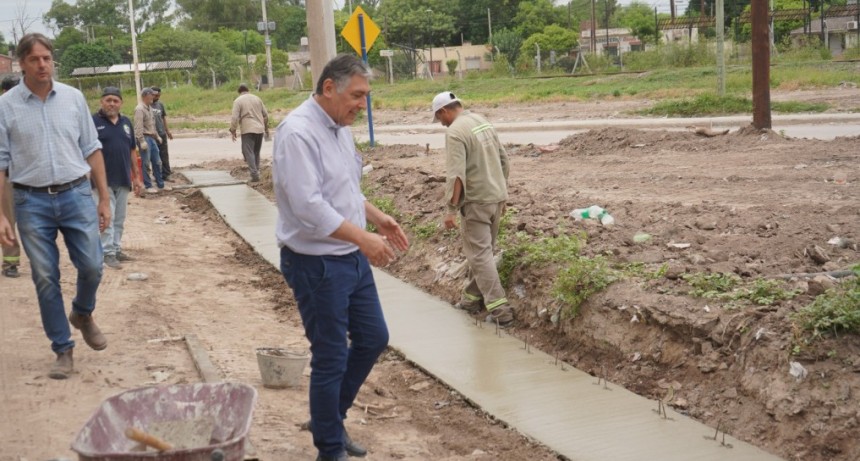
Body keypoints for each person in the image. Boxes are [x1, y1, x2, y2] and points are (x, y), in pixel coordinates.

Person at [273, 54, 409, 461]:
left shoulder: (340, 128)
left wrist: (377, 218)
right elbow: (309, 208)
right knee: (331, 354)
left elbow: (346, 189)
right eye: (357, 95)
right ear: (329, 88)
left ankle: (329, 419)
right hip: (317, 264)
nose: (361, 105)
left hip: (349, 256)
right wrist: (365, 240)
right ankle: (330, 449)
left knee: (373, 338)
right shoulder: (297, 133)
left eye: (366, 96)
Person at [0, 33, 110, 379]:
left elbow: (92, 149)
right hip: (30, 200)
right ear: (22, 64)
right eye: (34, 59)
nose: (42, 65)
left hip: (75, 193)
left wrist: (104, 198)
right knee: (45, 276)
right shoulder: (6, 106)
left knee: (92, 264)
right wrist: (2, 215)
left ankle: (82, 312)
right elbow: (1, 165)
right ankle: (63, 349)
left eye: (47, 58)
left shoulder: (74, 99)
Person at [432, 90, 514, 325]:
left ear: (444, 111)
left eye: (440, 119)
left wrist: (450, 209)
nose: (442, 124)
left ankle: (501, 312)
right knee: (483, 255)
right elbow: (504, 160)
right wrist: (503, 195)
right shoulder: (481, 121)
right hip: (495, 198)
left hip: (476, 202)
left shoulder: (456, 132)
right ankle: (470, 300)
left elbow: (456, 176)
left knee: (480, 256)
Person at [92, 86, 143, 269]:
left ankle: (116, 248)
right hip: (101, 181)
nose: (112, 103)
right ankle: (107, 253)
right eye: (108, 100)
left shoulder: (126, 123)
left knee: (120, 218)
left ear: (121, 103)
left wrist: (136, 177)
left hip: (122, 179)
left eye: (115, 100)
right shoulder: (92, 122)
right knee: (108, 217)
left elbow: (131, 150)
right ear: (102, 102)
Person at [1, 75, 21, 278]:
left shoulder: (22, 112)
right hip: (6, 177)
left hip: (26, 175)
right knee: (8, 219)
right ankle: (10, 262)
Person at [230, 83, 269, 182]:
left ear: (239, 92)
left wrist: (233, 130)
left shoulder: (238, 101)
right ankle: (256, 172)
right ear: (248, 90)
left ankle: (254, 174)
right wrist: (266, 128)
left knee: (248, 152)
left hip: (247, 129)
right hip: (259, 129)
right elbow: (265, 115)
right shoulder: (257, 98)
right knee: (256, 152)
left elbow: (234, 117)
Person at [133, 87, 165, 193]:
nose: (153, 97)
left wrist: (157, 136)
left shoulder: (149, 108)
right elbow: (138, 127)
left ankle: (160, 184)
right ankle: (148, 185)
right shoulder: (139, 109)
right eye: (151, 95)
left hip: (152, 138)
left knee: (157, 162)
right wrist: (141, 141)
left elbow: (152, 125)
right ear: (145, 96)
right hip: (145, 138)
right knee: (146, 163)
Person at [149, 86, 173, 180]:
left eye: (159, 96)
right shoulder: (146, 105)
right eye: (156, 96)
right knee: (154, 156)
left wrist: (167, 131)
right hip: (151, 135)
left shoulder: (160, 105)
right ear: (151, 94)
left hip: (161, 133)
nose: (157, 97)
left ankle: (166, 174)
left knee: (164, 155)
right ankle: (156, 175)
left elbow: (163, 118)